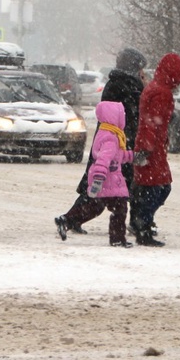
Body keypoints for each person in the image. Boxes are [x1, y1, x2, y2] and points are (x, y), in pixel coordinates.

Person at [59, 48, 147, 235]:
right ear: (133, 67)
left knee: (105, 187)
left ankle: (72, 218)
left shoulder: (120, 83)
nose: (143, 73)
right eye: (140, 68)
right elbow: (133, 112)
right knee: (109, 187)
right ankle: (72, 219)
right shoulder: (125, 85)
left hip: (116, 139)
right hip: (115, 141)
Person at [55, 101, 135, 247]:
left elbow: (116, 156)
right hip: (108, 180)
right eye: (121, 115)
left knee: (95, 207)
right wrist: (98, 179)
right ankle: (117, 239)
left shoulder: (105, 132)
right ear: (115, 117)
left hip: (106, 179)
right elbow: (103, 160)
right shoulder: (112, 137)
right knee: (120, 209)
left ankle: (66, 220)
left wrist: (132, 156)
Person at [130, 52, 180, 247]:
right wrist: (147, 148)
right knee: (158, 189)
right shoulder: (162, 93)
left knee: (149, 188)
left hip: (151, 146)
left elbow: (151, 122)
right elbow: (151, 123)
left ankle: (140, 223)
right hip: (152, 148)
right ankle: (143, 227)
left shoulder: (155, 88)